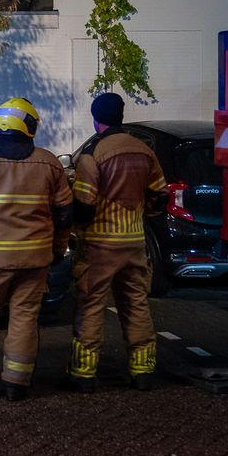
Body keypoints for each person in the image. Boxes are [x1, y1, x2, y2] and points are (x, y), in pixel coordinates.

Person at [0, 97, 73, 402]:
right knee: (24, 318)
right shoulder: (49, 163)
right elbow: (64, 214)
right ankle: (16, 384)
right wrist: (58, 250)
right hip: (35, 259)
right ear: (29, 125)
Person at [67, 92, 169, 392]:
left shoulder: (93, 153)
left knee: (91, 306)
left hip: (100, 244)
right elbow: (160, 195)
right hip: (134, 241)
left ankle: (83, 374)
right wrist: (142, 212)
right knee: (136, 304)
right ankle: (143, 370)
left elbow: (85, 204)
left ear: (95, 117)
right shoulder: (143, 150)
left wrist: (74, 226)